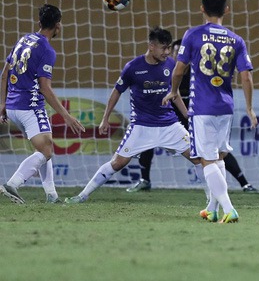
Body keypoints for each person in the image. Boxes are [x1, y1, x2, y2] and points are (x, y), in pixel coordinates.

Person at [64, 27, 205, 204]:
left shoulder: (170, 65)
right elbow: (116, 92)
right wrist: (105, 118)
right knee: (117, 163)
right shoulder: (133, 67)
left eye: (168, 48)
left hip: (169, 125)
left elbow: (173, 94)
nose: (167, 52)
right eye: (163, 47)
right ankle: (82, 196)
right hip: (141, 126)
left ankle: (212, 201)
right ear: (151, 46)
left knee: (199, 159)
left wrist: (187, 116)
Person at [163, 0, 258, 224]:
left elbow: (179, 70)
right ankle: (212, 208)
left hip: (202, 107)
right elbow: (246, 77)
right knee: (219, 158)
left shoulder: (192, 35)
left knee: (206, 160)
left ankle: (228, 208)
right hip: (226, 107)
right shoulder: (236, 40)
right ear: (227, 9)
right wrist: (249, 108)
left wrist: (174, 91)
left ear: (201, 8)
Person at [127, 39, 259, 194]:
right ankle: (144, 180)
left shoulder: (197, 71)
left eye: (178, 52)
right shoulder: (166, 69)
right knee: (148, 140)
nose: (175, 55)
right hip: (171, 114)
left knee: (214, 148)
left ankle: (243, 183)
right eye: (174, 52)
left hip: (194, 114)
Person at [0, 4, 85, 204]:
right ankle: (13, 183)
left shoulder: (23, 39)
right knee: (46, 151)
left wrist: (2, 104)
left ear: (39, 23)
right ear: (58, 25)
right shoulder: (47, 50)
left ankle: (52, 195)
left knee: (44, 147)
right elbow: (45, 88)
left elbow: (4, 74)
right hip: (30, 107)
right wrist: (67, 116)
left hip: (12, 107)